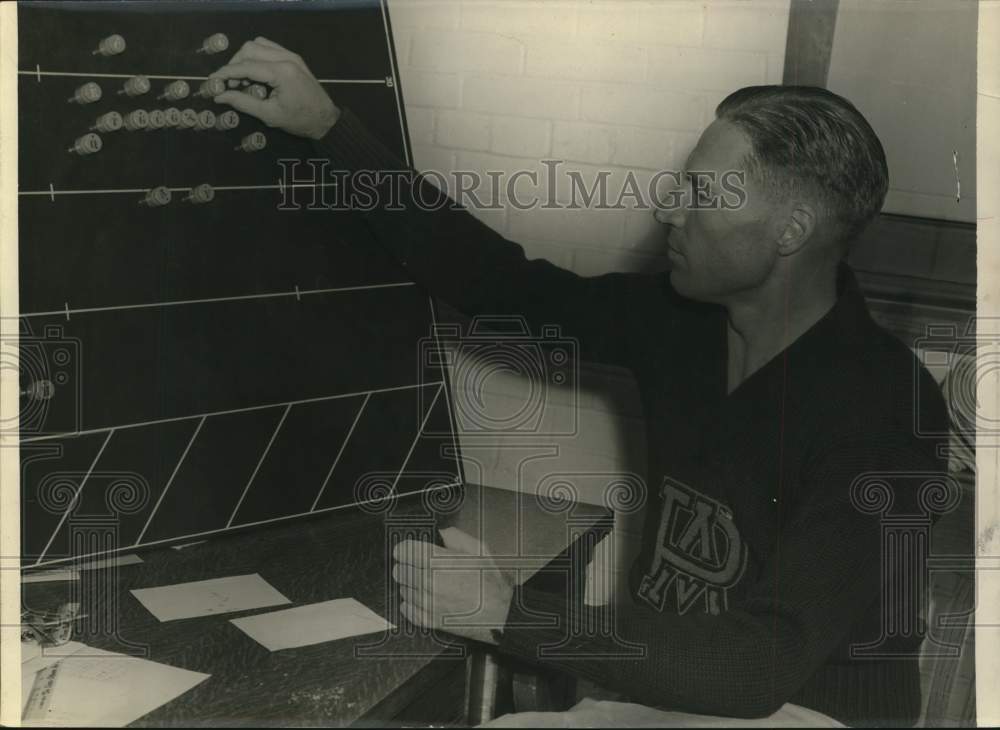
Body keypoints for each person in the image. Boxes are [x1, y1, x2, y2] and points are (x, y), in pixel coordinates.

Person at [210, 38, 950, 728]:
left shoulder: (886, 409)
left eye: (700, 193)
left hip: (807, 711)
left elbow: (760, 665)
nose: (668, 210)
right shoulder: (686, 320)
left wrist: (511, 611)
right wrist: (330, 128)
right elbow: (499, 282)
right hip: (691, 687)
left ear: (790, 231)